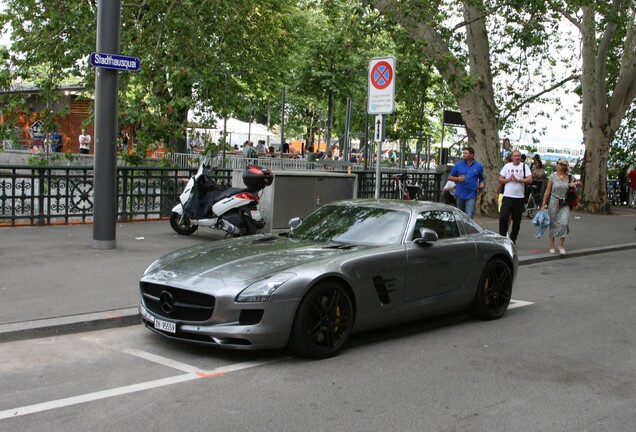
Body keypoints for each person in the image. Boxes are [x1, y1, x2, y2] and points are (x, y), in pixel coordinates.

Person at [540, 158, 582, 254]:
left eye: (560, 164)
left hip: (565, 202)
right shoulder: (552, 177)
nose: (558, 165)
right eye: (558, 163)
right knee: (553, 223)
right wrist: (544, 203)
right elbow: (547, 191)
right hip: (554, 201)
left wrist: (575, 183)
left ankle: (561, 245)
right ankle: (552, 246)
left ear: (564, 166)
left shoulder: (570, 177)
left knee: (564, 222)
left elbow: (580, 183)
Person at [498, 149, 532, 243]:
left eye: (518, 156)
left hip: (519, 198)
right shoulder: (507, 166)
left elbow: (529, 180)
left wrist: (520, 180)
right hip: (507, 196)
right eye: (515, 156)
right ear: (512, 157)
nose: (517, 157)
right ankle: (502, 237)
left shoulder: (525, 166)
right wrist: (508, 180)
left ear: (520, 157)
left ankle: (513, 239)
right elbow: (500, 179)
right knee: (503, 217)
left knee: (517, 221)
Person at [447, 146, 485, 218]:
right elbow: (449, 177)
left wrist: (481, 187)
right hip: (460, 193)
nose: (463, 154)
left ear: (471, 155)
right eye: (463, 153)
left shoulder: (479, 166)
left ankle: (468, 229)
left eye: (466, 153)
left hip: (471, 194)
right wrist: (458, 179)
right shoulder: (458, 164)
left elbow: (482, 179)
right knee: (460, 215)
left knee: (469, 215)